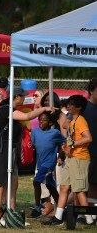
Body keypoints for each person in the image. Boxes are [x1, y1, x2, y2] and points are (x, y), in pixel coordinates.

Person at [0, 86, 54, 227]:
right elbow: (28, 116)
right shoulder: (6, 110)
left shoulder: (11, 110)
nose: (24, 98)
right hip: (2, 151)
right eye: (22, 96)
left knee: (13, 184)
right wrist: (44, 109)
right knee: (0, 184)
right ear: (16, 97)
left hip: (10, 151)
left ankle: (12, 215)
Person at [43, 95, 94, 225]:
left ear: (79, 107)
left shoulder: (81, 120)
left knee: (79, 190)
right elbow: (64, 124)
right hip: (71, 158)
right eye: (68, 104)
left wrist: (72, 144)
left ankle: (89, 218)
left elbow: (88, 138)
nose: (69, 106)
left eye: (71, 104)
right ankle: (58, 217)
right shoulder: (72, 120)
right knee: (64, 187)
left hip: (79, 158)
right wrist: (58, 113)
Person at [27, 113, 66, 219]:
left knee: (36, 182)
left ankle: (37, 208)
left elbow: (64, 142)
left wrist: (61, 154)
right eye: (40, 120)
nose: (41, 122)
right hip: (40, 162)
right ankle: (62, 209)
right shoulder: (35, 132)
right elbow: (33, 146)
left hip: (49, 163)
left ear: (50, 123)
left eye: (44, 120)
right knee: (50, 186)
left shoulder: (55, 133)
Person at [84, 78, 97, 199]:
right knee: (90, 186)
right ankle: (90, 214)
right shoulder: (84, 108)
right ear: (91, 91)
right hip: (87, 154)